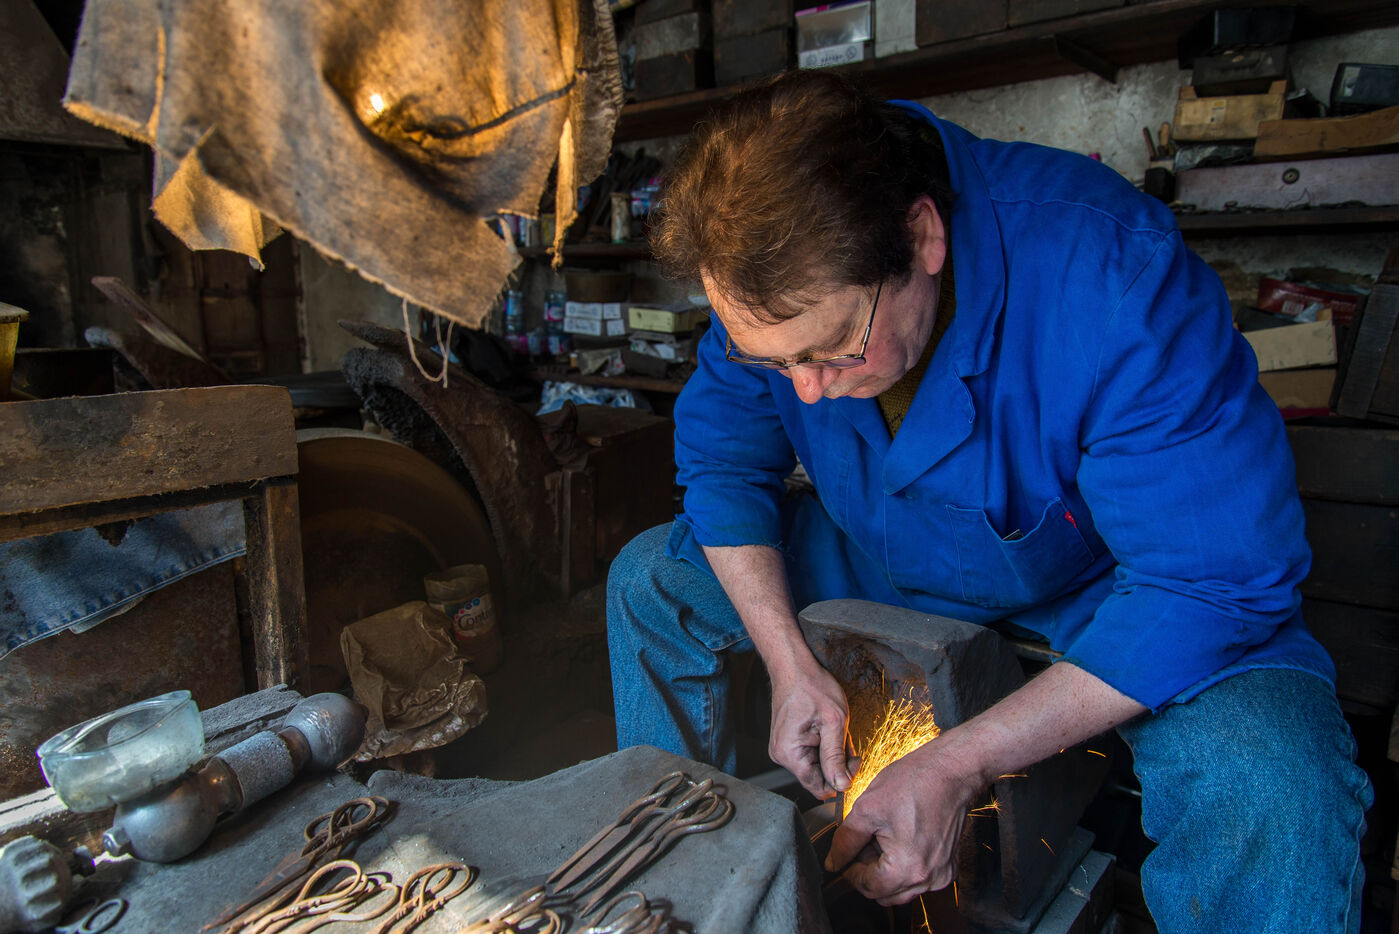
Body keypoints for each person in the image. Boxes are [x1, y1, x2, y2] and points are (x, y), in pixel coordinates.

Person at [606, 70, 1372, 932]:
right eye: (773, 364)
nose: (807, 391)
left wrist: (955, 764)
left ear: (922, 235)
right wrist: (788, 663)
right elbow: (722, 467)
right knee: (651, 581)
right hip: (883, 548)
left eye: (833, 350)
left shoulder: (1110, 269)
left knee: (1271, 781)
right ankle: (670, 892)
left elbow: (1207, 583)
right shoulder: (768, 288)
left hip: (1105, 591)